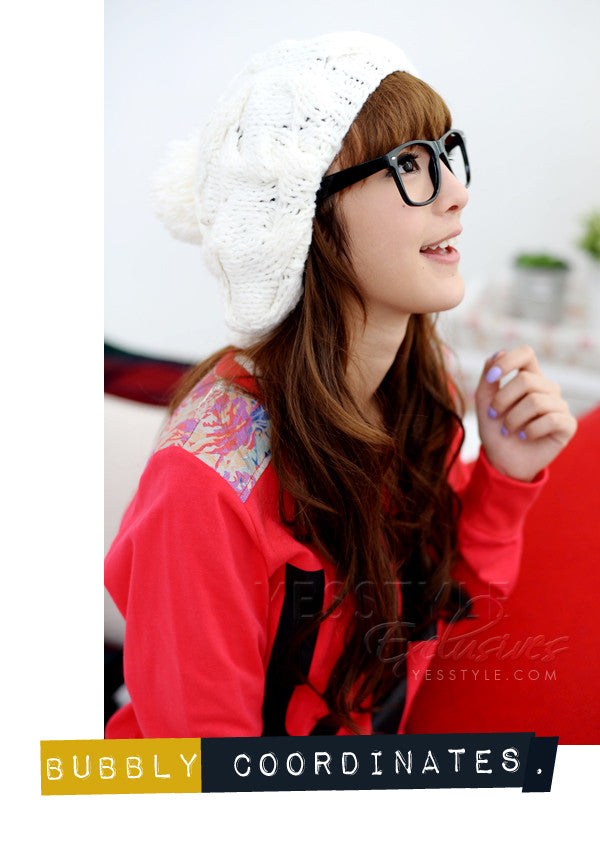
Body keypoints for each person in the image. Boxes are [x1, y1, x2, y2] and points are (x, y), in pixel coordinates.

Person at [104, 31, 576, 738]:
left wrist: (504, 479)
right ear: (308, 217)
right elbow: (205, 773)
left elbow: (444, 630)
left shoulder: (419, 395)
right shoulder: (203, 486)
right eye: (410, 165)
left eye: (446, 155)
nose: (457, 194)